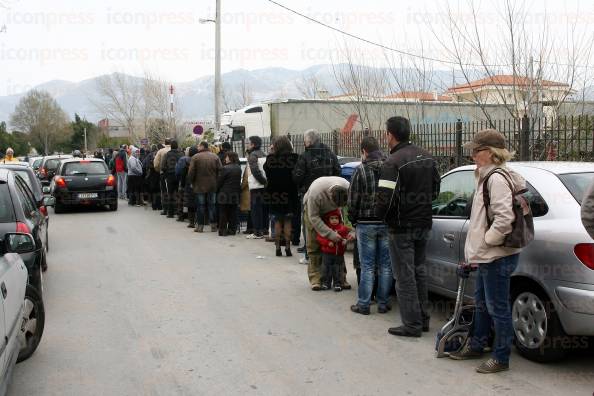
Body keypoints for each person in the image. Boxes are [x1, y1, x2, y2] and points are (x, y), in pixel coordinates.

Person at [448, 129, 526, 374]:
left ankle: (501, 358)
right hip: (489, 255)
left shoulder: (496, 179)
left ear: (490, 153)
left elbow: (504, 219)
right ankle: (478, 344)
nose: (472, 154)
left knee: (497, 308)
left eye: (476, 150)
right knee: (482, 303)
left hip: (496, 256)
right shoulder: (487, 176)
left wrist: (487, 242)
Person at [375, 116, 440, 338]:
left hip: (401, 227)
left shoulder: (392, 162)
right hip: (423, 223)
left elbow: (385, 199)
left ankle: (411, 324)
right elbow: (435, 192)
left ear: (390, 135)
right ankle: (422, 320)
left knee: (405, 276)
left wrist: (381, 218)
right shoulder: (428, 157)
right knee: (419, 272)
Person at [348, 136, 393, 315]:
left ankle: (364, 304)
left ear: (364, 151)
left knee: (367, 265)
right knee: (386, 265)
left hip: (365, 224)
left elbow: (353, 199)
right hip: (385, 222)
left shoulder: (360, 170)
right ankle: (383, 303)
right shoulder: (390, 169)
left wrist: (353, 220)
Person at [293, 129, 341, 260]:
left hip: (310, 194)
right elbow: (338, 171)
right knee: (328, 223)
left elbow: (297, 177)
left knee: (310, 225)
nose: (304, 142)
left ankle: (310, 255)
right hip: (330, 195)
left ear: (308, 141)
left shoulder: (305, 156)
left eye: (304, 140)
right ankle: (329, 252)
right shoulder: (330, 154)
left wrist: (302, 186)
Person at [304, 176, 353, 291]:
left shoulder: (348, 187)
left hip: (333, 213)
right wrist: (330, 234)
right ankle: (316, 279)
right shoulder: (316, 193)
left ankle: (341, 278)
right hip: (314, 211)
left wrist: (350, 231)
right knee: (314, 245)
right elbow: (313, 217)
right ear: (330, 196)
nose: (339, 206)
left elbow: (348, 213)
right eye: (336, 204)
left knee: (339, 246)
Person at [264, 135, 299, 257]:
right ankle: (288, 248)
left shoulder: (270, 159)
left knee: (278, 220)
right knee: (288, 220)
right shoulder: (294, 158)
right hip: (290, 193)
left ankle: (278, 247)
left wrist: (272, 153)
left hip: (274, 194)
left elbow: (266, 172)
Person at [187, 141, 222, 233]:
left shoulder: (195, 157)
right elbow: (220, 170)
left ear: (202, 146)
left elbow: (191, 172)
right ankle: (213, 226)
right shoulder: (215, 156)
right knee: (212, 206)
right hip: (213, 186)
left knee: (201, 206)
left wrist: (191, 182)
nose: (197, 147)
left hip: (199, 186)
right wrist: (217, 182)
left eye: (199, 146)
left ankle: (200, 227)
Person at [316, 209, 351, 291]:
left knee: (338, 269)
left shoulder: (343, 229)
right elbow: (319, 238)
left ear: (339, 219)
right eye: (332, 218)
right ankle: (326, 283)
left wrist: (346, 241)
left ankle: (337, 283)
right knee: (326, 269)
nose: (334, 220)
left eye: (336, 218)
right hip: (327, 253)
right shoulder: (325, 229)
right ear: (328, 219)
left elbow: (347, 236)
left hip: (339, 254)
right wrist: (327, 243)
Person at [246, 136, 268, 239]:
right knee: (263, 208)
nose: (247, 145)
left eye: (249, 143)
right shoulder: (264, 154)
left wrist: (263, 181)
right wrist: (265, 182)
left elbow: (255, 171)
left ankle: (257, 232)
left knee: (255, 210)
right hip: (263, 186)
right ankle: (264, 229)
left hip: (256, 186)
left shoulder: (253, 155)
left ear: (253, 144)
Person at [217, 151, 242, 236]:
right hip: (235, 193)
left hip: (224, 193)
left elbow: (220, 181)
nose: (225, 159)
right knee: (233, 212)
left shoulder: (225, 168)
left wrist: (217, 189)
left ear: (230, 158)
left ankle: (223, 230)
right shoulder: (239, 168)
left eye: (227, 157)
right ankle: (232, 230)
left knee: (223, 212)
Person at [162, 140, 183, 218]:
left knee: (170, 193)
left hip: (170, 176)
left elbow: (163, 166)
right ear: (177, 146)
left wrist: (166, 172)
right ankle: (178, 212)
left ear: (171, 146)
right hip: (179, 176)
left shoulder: (167, 154)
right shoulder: (181, 154)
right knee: (179, 194)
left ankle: (170, 213)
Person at [179, 146, 199, 227]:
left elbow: (182, 174)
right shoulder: (199, 160)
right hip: (199, 184)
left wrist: (182, 184)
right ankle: (203, 220)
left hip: (189, 184)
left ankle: (191, 221)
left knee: (190, 203)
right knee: (200, 202)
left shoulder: (186, 161)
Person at [153, 138, 171, 215]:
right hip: (174, 174)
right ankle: (174, 209)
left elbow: (156, 163)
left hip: (163, 173)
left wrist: (159, 170)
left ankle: (166, 209)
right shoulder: (178, 150)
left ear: (165, 143)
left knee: (164, 192)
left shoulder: (161, 151)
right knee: (173, 190)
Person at [143, 144, 161, 210]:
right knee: (158, 190)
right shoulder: (159, 154)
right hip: (158, 174)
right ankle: (159, 206)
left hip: (151, 174)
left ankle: (154, 206)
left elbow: (145, 165)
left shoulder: (149, 156)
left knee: (153, 191)